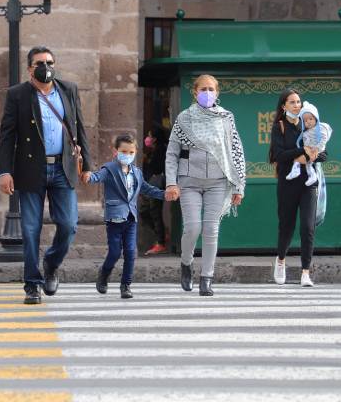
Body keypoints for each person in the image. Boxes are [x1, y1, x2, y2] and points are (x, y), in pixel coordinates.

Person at [0, 46, 92, 305]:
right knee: (30, 230)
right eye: (40, 63)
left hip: (63, 168)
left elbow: (79, 128)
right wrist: (5, 171)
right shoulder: (17, 94)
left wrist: (88, 165)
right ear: (30, 68)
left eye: (50, 62)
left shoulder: (69, 89)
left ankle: (50, 263)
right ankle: (32, 284)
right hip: (31, 169)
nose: (46, 67)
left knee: (69, 224)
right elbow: (7, 136)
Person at [164, 74, 246, 296]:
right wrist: (171, 183)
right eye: (203, 89)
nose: (207, 93)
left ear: (217, 92)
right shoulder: (184, 118)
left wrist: (239, 186)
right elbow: (172, 153)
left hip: (218, 182)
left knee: (211, 229)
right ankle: (186, 262)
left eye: (211, 89)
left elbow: (236, 151)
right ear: (195, 92)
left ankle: (207, 278)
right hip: (189, 181)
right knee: (192, 228)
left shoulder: (226, 117)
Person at [84, 134, 165, 299]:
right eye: (124, 152)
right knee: (115, 252)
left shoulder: (137, 172)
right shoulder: (109, 169)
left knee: (130, 252)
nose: (127, 155)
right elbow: (96, 177)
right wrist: (88, 176)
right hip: (114, 218)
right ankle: (104, 274)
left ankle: (126, 285)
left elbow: (147, 189)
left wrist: (164, 194)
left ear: (135, 152)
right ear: (115, 151)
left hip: (131, 219)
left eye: (131, 152)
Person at [269, 90, 327, 288]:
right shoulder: (279, 126)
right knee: (287, 226)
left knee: (308, 227)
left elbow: (323, 152)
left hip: (309, 183)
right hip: (287, 182)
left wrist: (312, 156)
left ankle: (305, 273)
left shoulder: (308, 123)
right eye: (292, 102)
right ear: (283, 106)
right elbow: (278, 155)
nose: (297, 105)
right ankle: (281, 260)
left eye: (298, 102)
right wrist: (301, 152)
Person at [285, 101, 332, 187]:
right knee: (303, 164)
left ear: (316, 118)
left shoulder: (320, 128)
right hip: (293, 180)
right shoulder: (304, 132)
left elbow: (324, 152)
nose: (308, 122)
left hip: (316, 152)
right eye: (305, 120)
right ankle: (298, 172)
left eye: (311, 119)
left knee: (306, 164)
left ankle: (310, 175)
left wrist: (314, 151)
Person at [140, 126, 169, 256]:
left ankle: (160, 242)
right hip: (152, 185)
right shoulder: (154, 150)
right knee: (145, 211)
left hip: (157, 185)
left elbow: (157, 169)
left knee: (155, 212)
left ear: (155, 139)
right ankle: (162, 235)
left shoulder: (161, 150)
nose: (148, 138)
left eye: (150, 136)